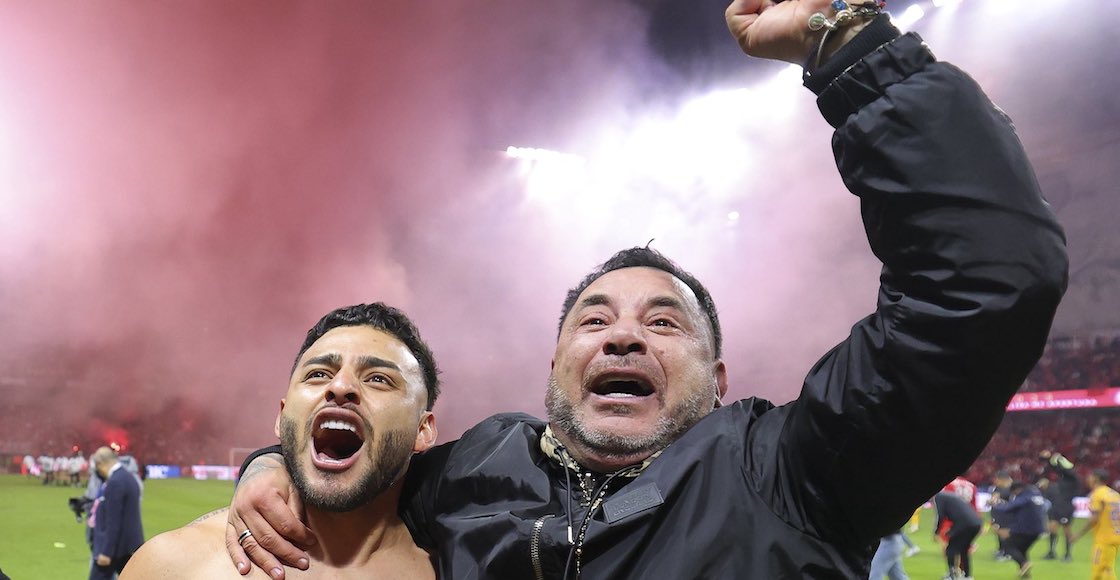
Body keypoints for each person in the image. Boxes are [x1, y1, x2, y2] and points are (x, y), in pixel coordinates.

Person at [226, 0, 1069, 577]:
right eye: (594, 319)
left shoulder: (795, 471)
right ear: (556, 366)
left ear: (720, 383)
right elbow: (350, 459)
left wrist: (848, 49)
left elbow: (985, 278)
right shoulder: (476, 468)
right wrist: (271, 467)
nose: (622, 337)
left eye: (664, 323)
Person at [121, 303, 440, 579]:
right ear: (282, 417)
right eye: (318, 374)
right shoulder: (174, 566)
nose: (340, 386)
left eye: (378, 379)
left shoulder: (459, 566)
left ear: (422, 430)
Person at [88, 446, 144, 580]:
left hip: (116, 549)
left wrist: (106, 552)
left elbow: (113, 520)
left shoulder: (115, 482)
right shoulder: (129, 478)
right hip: (130, 545)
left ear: (101, 464)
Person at [991, 481, 1047, 578]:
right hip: (1038, 529)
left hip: (1026, 529)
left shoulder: (1023, 497)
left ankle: (1024, 563)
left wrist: (995, 505)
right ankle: (1025, 573)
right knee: (1022, 550)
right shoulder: (1035, 493)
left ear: (1016, 490)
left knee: (1008, 546)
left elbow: (1007, 508)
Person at [1071, 469, 1120, 580]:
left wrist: (1078, 534)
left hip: (1104, 539)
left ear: (1095, 479)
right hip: (1116, 537)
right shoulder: (1114, 494)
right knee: (1107, 569)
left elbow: (1094, 519)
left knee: (1097, 573)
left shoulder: (1097, 494)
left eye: (1090, 477)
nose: (1088, 479)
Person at [1039, 450, 1080, 561]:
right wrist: (1049, 459)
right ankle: (1051, 552)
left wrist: (1059, 460)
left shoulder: (1073, 478)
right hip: (1057, 506)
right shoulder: (1063, 477)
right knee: (1052, 528)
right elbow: (1056, 469)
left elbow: (1065, 470)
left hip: (1066, 507)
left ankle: (1067, 554)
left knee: (1066, 530)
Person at [933, 491, 983, 580]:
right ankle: (967, 576)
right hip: (976, 523)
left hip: (964, 524)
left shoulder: (939, 497)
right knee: (963, 549)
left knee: (950, 549)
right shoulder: (950, 496)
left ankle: (952, 575)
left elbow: (940, 515)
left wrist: (936, 532)